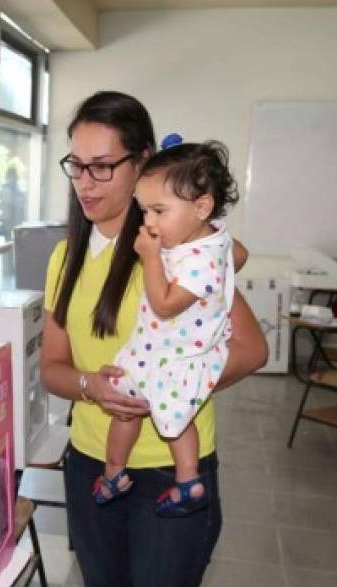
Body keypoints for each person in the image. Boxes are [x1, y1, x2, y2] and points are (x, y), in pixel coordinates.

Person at [41, 90, 267, 587]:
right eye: (76, 166)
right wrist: (93, 387)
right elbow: (53, 368)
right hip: (93, 462)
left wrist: (169, 391)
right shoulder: (65, 256)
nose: (85, 183)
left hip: (171, 467)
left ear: (142, 162)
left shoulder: (182, 253)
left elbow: (250, 350)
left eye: (103, 166)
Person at [96, 138, 238, 518]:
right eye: (145, 210)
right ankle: (114, 472)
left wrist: (151, 257)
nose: (149, 222)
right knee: (123, 406)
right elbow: (237, 251)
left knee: (174, 419)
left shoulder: (201, 261)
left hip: (180, 356)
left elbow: (164, 304)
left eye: (160, 210)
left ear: (202, 206)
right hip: (152, 347)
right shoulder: (204, 235)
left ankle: (189, 481)